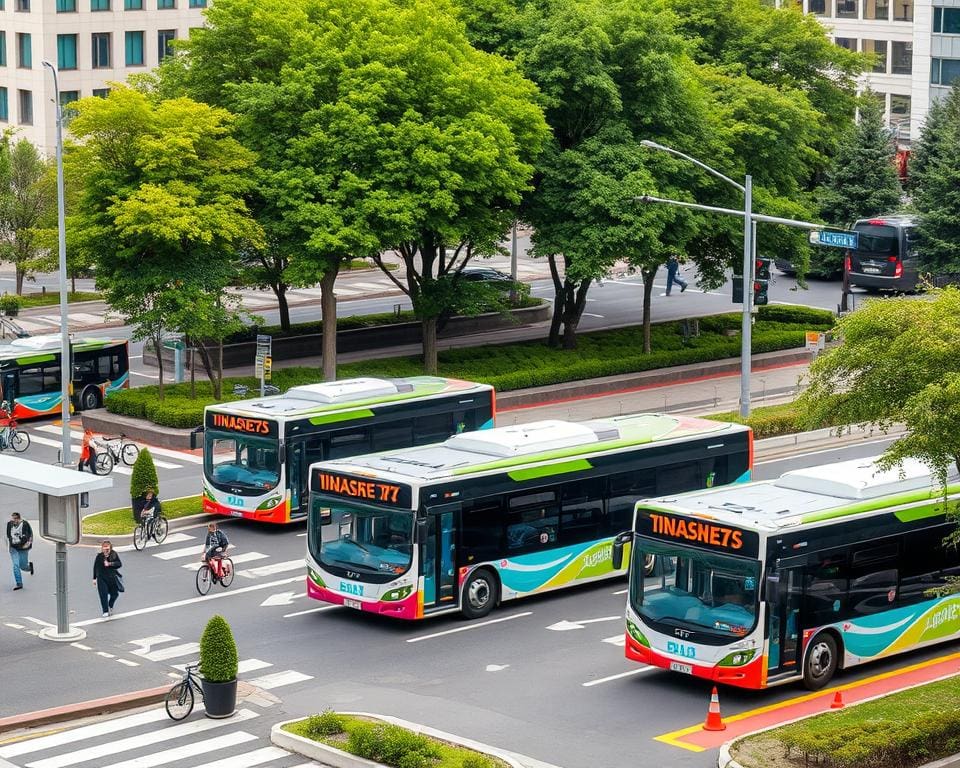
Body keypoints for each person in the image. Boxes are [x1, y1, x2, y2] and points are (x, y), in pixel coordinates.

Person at [93, 540, 122, 617]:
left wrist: (110, 563)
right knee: (103, 594)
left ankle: (110, 605)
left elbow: (119, 564)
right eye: (104, 547)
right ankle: (105, 611)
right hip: (101, 578)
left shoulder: (114, 554)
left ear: (110, 548)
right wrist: (94, 578)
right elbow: (95, 567)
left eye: (107, 548)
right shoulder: (99, 556)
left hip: (112, 577)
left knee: (115, 594)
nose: (105, 549)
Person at [6, 512, 34, 590]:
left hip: (23, 548)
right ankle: (19, 583)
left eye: (15, 519)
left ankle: (30, 567)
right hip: (13, 548)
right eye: (12, 519)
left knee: (23, 566)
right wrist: (12, 543)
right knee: (16, 565)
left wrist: (25, 543)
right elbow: (8, 535)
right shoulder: (9, 524)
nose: (14, 521)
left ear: (19, 518)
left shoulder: (25, 524)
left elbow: (29, 535)